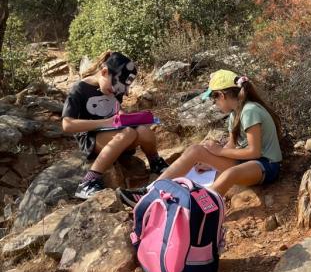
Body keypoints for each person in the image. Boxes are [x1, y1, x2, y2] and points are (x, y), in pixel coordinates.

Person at [118, 70, 282, 207]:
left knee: (229, 174)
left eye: (214, 98)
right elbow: (231, 148)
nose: (214, 103)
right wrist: (210, 162)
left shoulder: (250, 110)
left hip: (266, 165)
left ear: (221, 95)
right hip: (246, 163)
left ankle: (197, 209)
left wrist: (218, 151)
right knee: (195, 150)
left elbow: (254, 152)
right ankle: (149, 193)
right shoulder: (235, 114)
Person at [61, 51, 169, 199]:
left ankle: (156, 163)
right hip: (92, 138)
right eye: (113, 89)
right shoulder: (79, 89)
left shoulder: (113, 88)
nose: (114, 93)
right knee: (129, 133)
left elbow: (116, 109)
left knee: (144, 131)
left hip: (115, 132)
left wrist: (125, 116)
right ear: (104, 72)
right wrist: (105, 122)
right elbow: (67, 125)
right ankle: (88, 181)